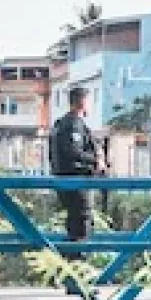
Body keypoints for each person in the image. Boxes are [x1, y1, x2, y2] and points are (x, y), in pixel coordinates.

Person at [49, 87, 102, 259]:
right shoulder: (73, 124)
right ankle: (77, 276)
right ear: (83, 102)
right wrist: (95, 161)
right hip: (76, 182)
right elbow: (73, 151)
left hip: (65, 181)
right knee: (82, 227)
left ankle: (70, 274)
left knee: (74, 227)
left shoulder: (61, 123)